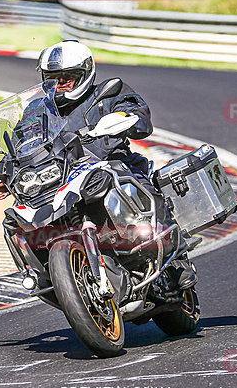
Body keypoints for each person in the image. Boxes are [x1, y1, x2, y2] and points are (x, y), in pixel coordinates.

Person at [36, 40, 196, 290]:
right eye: (53, 78)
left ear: (85, 74)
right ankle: (51, 275)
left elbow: (137, 113)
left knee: (142, 186)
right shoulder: (39, 112)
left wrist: (127, 117)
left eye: (67, 77)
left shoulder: (109, 93)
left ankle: (176, 261)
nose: (60, 84)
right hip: (63, 178)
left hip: (112, 165)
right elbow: (22, 140)